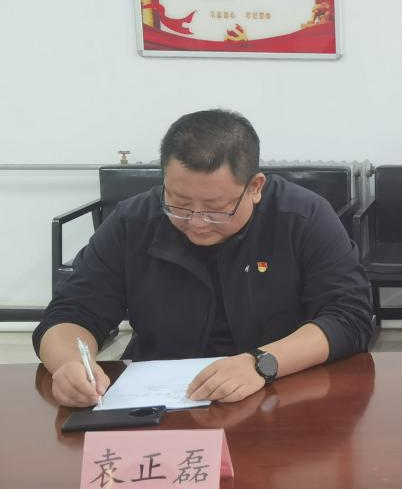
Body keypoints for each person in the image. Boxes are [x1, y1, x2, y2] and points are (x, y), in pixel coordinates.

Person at [35, 109, 373, 407]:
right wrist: (69, 366)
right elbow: (72, 312)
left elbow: (349, 316)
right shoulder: (133, 222)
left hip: (284, 390)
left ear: (255, 187)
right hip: (160, 398)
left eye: (216, 209)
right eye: (179, 204)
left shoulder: (302, 217)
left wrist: (262, 363)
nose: (196, 222)